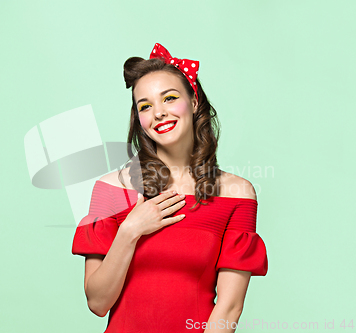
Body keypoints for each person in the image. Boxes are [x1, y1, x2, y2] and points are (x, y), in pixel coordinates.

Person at [71, 43, 268, 333]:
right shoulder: (110, 188)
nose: (159, 113)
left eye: (170, 98)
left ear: (194, 102)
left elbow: (229, 307)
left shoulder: (236, 193)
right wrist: (130, 230)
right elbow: (98, 302)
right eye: (145, 106)